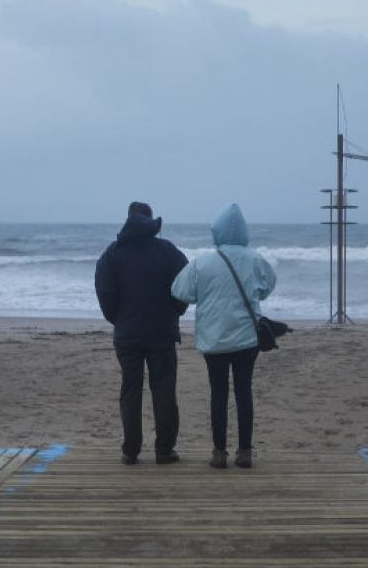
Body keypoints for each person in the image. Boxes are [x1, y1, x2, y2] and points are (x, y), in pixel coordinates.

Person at [171, 203, 276, 469]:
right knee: (244, 392)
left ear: (215, 232)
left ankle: (219, 452)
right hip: (247, 338)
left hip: (214, 338)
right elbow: (267, 287)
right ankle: (245, 452)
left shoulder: (203, 262)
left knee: (218, 394)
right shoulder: (256, 259)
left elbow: (180, 291)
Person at [95, 201, 190, 465]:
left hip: (127, 333)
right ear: (150, 222)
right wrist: (176, 310)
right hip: (161, 331)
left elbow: (105, 292)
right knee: (164, 389)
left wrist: (117, 319)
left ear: (128, 219)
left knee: (131, 388)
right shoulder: (167, 251)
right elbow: (185, 284)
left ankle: (131, 450)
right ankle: (164, 449)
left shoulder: (113, 253)